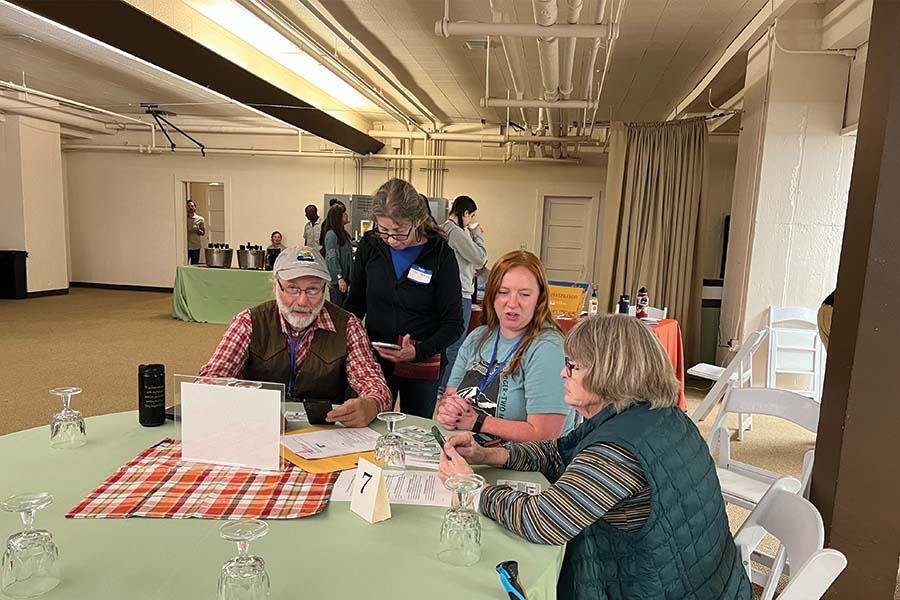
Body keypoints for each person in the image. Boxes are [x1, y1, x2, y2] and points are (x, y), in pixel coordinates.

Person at [439, 315, 751, 600]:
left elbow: (543, 521)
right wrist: (487, 454)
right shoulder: (654, 415)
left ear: (607, 372)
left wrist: (471, 487)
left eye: (572, 365)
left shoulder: (618, 451)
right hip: (706, 580)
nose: (562, 372)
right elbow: (559, 451)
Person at [200, 246, 392, 427]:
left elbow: (375, 386)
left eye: (313, 289)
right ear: (275, 287)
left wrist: (371, 405)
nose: (302, 301)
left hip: (325, 432)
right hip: (255, 428)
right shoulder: (248, 322)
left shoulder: (348, 325)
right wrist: (249, 407)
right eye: (292, 288)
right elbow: (208, 381)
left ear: (324, 289)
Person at [345, 179, 463, 419]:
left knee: (415, 432)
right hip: (373, 360)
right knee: (367, 427)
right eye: (384, 231)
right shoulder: (371, 245)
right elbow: (355, 305)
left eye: (399, 233)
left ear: (418, 221)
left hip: (421, 364)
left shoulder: (440, 255)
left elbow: (453, 324)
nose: (390, 240)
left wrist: (418, 352)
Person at [436, 250, 574, 442]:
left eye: (524, 294)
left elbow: (545, 434)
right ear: (492, 296)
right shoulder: (478, 337)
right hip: (468, 452)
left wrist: (477, 422)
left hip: (523, 464)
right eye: (503, 292)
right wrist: (449, 411)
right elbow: (449, 398)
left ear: (540, 299)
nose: (512, 303)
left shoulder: (548, 347)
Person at [438, 195, 487, 394]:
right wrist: (477, 234)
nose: (470, 221)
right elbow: (480, 258)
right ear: (465, 213)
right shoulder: (456, 232)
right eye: (471, 216)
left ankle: (440, 384)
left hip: (448, 293)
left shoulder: (443, 229)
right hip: (460, 294)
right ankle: (444, 386)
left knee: (447, 342)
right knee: (455, 343)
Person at [321, 204, 353, 307]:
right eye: (344, 214)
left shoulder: (344, 234)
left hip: (345, 278)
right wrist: (339, 277)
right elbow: (332, 258)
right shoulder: (331, 235)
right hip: (337, 281)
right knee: (337, 309)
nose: (347, 215)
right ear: (338, 217)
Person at [186, 200, 205, 264]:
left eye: (192, 206)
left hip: (195, 247)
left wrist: (198, 230)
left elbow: (203, 233)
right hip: (185, 247)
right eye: (188, 206)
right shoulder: (184, 218)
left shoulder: (200, 219)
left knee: (194, 264)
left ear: (195, 208)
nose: (190, 207)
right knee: (184, 264)